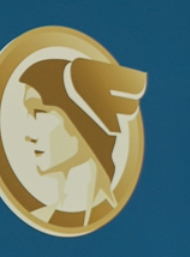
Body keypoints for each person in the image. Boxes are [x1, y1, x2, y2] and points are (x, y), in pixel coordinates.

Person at [18, 58, 146, 225]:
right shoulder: (41, 219)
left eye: (39, 113)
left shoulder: (130, 222)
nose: (29, 135)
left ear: (82, 122)